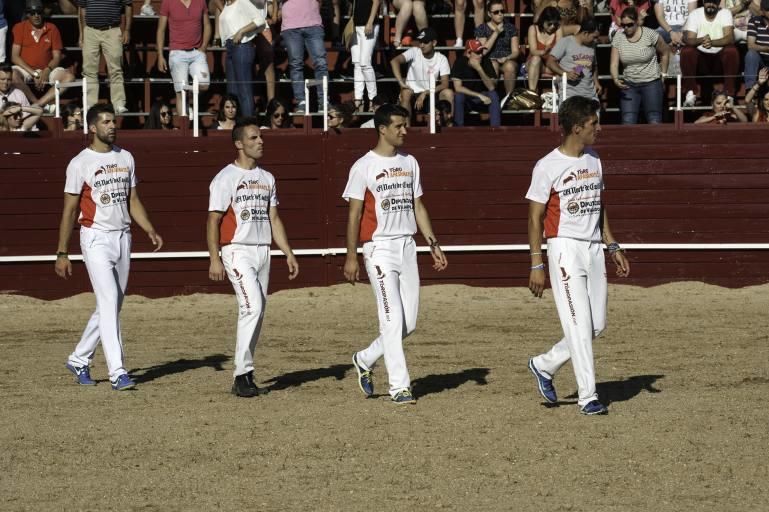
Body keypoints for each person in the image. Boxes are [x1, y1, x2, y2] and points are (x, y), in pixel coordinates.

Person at [526, 95, 630, 416]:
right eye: (593, 124)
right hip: (564, 249)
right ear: (575, 128)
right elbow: (534, 218)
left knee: (596, 325)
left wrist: (612, 244)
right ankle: (588, 396)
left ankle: (544, 364)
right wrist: (536, 263)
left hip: (593, 248)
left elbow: (599, 206)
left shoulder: (594, 159)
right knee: (577, 324)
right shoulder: (547, 166)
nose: (598, 129)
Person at [343, 103, 448, 405]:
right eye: (399, 126)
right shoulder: (363, 166)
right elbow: (354, 214)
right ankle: (400, 386)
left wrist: (433, 243)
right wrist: (351, 256)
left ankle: (364, 358)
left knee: (408, 323)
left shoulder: (410, 162)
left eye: (406, 125)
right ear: (382, 129)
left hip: (407, 246)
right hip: (378, 249)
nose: (405, 130)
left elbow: (418, 206)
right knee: (391, 320)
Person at [55, 104, 164, 391]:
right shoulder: (80, 163)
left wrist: (149, 228)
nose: (112, 126)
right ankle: (118, 372)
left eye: (113, 121)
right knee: (108, 300)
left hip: (123, 236)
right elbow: (69, 210)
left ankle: (79, 358)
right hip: (95, 237)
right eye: (105, 122)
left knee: (112, 303)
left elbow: (133, 200)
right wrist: (62, 252)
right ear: (92, 128)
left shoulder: (126, 157)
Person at [207, 117, 299, 397]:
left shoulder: (267, 178)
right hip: (236, 250)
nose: (260, 142)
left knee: (256, 312)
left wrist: (288, 252)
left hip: (262, 251)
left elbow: (273, 218)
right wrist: (213, 258)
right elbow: (213, 220)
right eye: (253, 138)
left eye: (260, 137)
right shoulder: (225, 178)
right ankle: (242, 374)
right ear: (238, 144)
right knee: (253, 307)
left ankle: (244, 372)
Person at [610, 7, 671, 124]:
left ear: (637, 21)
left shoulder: (650, 34)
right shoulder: (618, 37)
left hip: (652, 82)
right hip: (629, 85)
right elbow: (614, 63)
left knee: (654, 119)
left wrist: (663, 74)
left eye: (630, 24)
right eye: (623, 25)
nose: (626, 28)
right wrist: (615, 78)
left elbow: (665, 52)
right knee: (628, 120)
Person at [11, 0, 75, 110]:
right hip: (27, 69)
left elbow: (57, 57)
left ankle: (39, 104)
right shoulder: (19, 27)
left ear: (43, 13)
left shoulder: (52, 28)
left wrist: (47, 70)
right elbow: (14, 57)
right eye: (32, 13)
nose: (36, 16)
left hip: (48, 68)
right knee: (12, 75)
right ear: (27, 14)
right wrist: (35, 74)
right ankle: (35, 103)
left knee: (69, 77)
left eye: (39, 12)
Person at [156, 0, 212, 117]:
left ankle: (188, 100)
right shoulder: (168, 2)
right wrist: (160, 55)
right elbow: (161, 30)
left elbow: (207, 25)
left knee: (205, 85)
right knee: (181, 92)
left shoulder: (200, 1)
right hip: (177, 53)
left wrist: (204, 47)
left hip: (197, 52)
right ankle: (184, 129)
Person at [77, 0, 132, 113]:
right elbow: (82, 10)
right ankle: (89, 103)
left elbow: (129, 6)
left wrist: (127, 30)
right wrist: (82, 33)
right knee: (89, 69)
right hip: (90, 30)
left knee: (116, 68)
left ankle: (118, 103)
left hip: (112, 30)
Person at [391, 27, 453, 124]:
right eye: (420, 42)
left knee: (448, 93)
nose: (422, 45)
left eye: (425, 42)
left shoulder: (441, 58)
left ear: (434, 43)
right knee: (406, 93)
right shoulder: (414, 51)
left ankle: (448, 128)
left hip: (431, 94)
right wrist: (401, 83)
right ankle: (406, 129)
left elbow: (445, 84)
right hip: (412, 94)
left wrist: (426, 93)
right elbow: (394, 61)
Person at [680, 0, 738, 106]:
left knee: (731, 50)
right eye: (708, 1)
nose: (711, 4)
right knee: (687, 51)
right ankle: (690, 93)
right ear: (703, 1)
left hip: (719, 60)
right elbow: (689, 39)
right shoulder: (695, 14)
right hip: (701, 61)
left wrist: (712, 43)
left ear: (719, 2)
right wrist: (702, 40)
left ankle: (729, 94)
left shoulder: (725, 13)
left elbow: (729, 38)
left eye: (714, 2)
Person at [277, 0, 329, 113]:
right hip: (291, 25)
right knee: (296, 64)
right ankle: (301, 101)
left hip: (313, 23)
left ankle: (323, 100)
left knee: (321, 63)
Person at [219, 0, 266, 118]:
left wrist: (241, 31)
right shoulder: (226, 5)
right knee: (232, 91)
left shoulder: (242, 1)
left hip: (242, 46)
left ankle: (249, 124)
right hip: (230, 47)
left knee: (244, 90)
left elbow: (260, 20)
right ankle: (237, 125)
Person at [546, 17, 602, 102]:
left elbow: (594, 65)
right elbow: (550, 62)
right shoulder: (566, 41)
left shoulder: (592, 45)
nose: (596, 40)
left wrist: (596, 82)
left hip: (590, 93)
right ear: (585, 33)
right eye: (594, 37)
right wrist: (566, 74)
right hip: (569, 94)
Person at [475, 0, 520, 101]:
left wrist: (506, 58)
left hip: (506, 59)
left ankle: (508, 99)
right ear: (489, 14)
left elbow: (516, 52)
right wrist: (496, 33)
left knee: (510, 66)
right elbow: (484, 51)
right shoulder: (482, 28)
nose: (500, 14)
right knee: (493, 64)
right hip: (489, 60)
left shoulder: (510, 28)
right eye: (496, 12)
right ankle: (493, 99)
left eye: (502, 11)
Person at [451, 38, 501, 126]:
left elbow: (491, 87)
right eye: (477, 53)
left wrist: (479, 69)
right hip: (468, 99)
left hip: (484, 99)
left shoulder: (485, 61)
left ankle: (495, 129)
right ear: (468, 53)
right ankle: (458, 129)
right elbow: (458, 88)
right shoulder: (460, 62)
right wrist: (479, 95)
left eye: (481, 51)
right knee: (458, 96)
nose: (481, 55)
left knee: (493, 94)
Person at [349, 0, 380, 109]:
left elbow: (376, 2)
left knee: (365, 64)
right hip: (355, 26)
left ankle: (373, 99)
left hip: (368, 24)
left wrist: (370, 22)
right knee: (357, 64)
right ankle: (358, 98)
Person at [527, 7, 564, 92]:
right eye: (549, 24)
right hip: (535, 63)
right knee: (536, 58)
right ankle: (532, 93)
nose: (552, 27)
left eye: (555, 24)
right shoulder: (533, 28)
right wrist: (544, 52)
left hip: (551, 64)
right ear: (543, 21)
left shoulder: (558, 29)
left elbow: (559, 52)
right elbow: (533, 51)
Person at [744, 0, 769, 90]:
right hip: (761, 59)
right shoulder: (754, 21)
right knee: (751, 54)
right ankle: (750, 90)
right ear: (762, 11)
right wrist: (767, 48)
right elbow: (751, 46)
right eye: (768, 9)